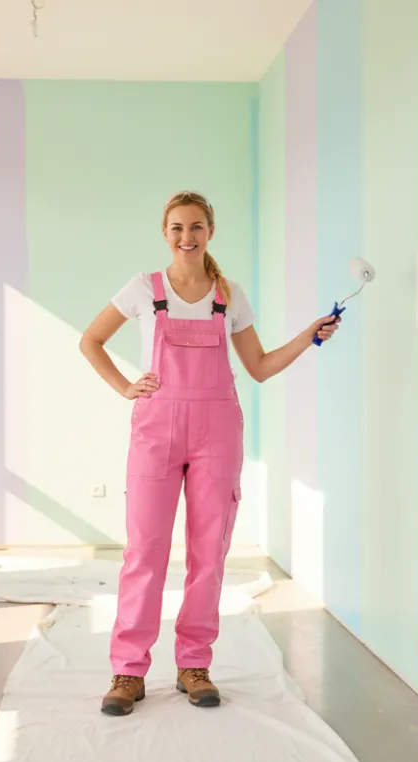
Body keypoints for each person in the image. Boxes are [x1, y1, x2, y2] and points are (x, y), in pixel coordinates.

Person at [78, 190, 339, 716]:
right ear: (165, 233)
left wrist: (309, 337)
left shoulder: (229, 295)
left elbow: (260, 366)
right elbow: (91, 341)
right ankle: (128, 671)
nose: (186, 237)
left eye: (196, 227)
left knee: (208, 555)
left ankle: (193, 663)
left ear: (210, 232)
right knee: (144, 553)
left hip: (217, 433)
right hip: (156, 431)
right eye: (177, 228)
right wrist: (125, 386)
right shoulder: (143, 289)